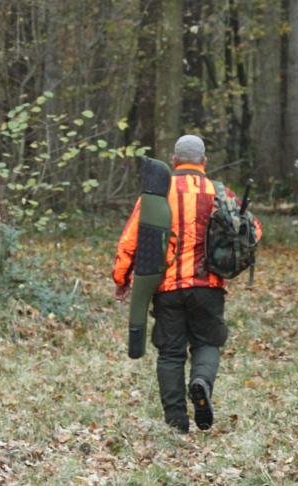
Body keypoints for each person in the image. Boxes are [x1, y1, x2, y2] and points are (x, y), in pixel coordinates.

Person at [112, 135, 262, 433]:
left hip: (166, 287)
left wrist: (122, 278)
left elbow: (130, 241)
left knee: (170, 354)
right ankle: (201, 382)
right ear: (204, 161)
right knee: (207, 342)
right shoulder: (220, 192)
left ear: (173, 160)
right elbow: (253, 230)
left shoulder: (156, 194)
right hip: (209, 285)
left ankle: (177, 423)